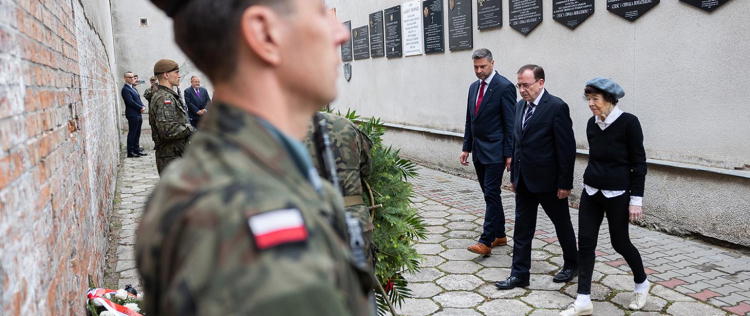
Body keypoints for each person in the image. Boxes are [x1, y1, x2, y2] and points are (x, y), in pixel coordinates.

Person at [136, 0, 373, 315]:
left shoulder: (227, 180)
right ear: (264, 34)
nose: (340, 33)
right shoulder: (256, 221)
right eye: (319, 13)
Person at [560, 78, 649, 316]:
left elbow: (639, 164)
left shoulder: (629, 123)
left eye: (595, 99)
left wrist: (635, 200)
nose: (590, 104)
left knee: (620, 243)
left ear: (609, 100)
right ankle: (583, 300)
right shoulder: (592, 123)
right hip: (592, 191)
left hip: (617, 194)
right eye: (588, 99)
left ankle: (641, 283)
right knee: (586, 244)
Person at [496, 64, 579, 290]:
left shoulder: (556, 107)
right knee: (522, 229)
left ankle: (573, 263)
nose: (522, 89)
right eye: (519, 85)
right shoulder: (519, 107)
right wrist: (513, 176)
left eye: (526, 85)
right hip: (524, 180)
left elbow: (566, 148)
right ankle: (520, 273)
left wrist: (565, 183)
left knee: (562, 225)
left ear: (540, 83)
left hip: (550, 183)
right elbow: (516, 144)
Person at [460, 48, 516, 256]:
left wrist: (510, 154)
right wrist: (466, 147)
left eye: (482, 66)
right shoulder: (473, 87)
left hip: (496, 151)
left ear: (493, 63)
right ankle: (500, 235)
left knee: (492, 192)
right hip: (478, 150)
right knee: (488, 194)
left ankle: (486, 241)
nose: (479, 71)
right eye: (475, 67)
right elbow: (470, 119)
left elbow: (510, 124)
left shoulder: (505, 87)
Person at [304, 112, 374, 263]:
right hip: (355, 221)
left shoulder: (288, 129)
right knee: (359, 283)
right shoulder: (346, 124)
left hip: (314, 220)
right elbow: (367, 168)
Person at [147, 59, 195, 175]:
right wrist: (190, 128)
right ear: (166, 75)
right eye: (177, 72)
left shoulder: (167, 95)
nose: (179, 75)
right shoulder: (164, 98)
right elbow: (167, 130)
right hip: (171, 157)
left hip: (176, 154)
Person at [121, 71, 146, 158]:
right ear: (125, 78)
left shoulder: (132, 88)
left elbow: (138, 99)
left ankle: (136, 149)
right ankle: (130, 152)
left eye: (133, 77)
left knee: (137, 133)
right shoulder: (125, 89)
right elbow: (130, 102)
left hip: (138, 113)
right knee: (132, 133)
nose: (132, 79)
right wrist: (140, 107)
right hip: (132, 114)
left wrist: (142, 106)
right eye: (130, 77)